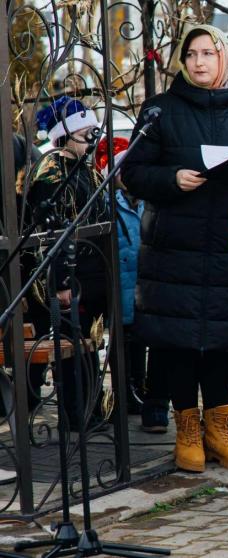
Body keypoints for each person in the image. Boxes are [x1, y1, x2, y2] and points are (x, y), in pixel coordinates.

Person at [121, 24, 228, 472]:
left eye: (208, 53)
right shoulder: (161, 110)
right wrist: (171, 179)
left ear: (225, 57)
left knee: (225, 339)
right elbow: (133, 173)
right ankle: (186, 429)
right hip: (175, 247)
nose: (199, 61)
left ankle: (219, 431)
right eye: (191, 54)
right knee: (180, 341)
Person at [28, 96, 109, 432]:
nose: (92, 138)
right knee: (71, 349)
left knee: (89, 347)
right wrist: (60, 281)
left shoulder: (85, 168)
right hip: (68, 278)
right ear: (65, 134)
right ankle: (76, 415)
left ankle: (91, 410)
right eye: (85, 132)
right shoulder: (50, 173)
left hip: (91, 275)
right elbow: (47, 234)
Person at [95, 137, 166, 425]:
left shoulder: (144, 198)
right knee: (121, 342)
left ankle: (139, 388)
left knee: (140, 340)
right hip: (121, 280)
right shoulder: (106, 202)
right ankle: (123, 392)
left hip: (141, 279)